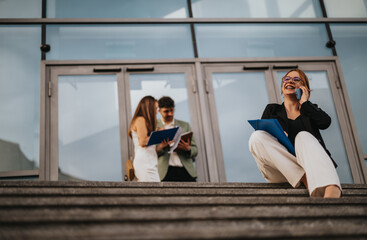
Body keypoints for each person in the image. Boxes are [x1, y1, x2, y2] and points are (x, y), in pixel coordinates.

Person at [248, 69, 342, 198]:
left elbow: (325, 122)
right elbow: (263, 141)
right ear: (282, 85)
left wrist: (305, 103)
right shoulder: (272, 110)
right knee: (256, 136)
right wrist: (278, 137)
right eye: (286, 79)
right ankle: (305, 178)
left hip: (309, 166)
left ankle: (332, 187)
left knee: (303, 136)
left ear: (304, 88)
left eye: (296, 79)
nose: (290, 81)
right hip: (280, 170)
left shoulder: (309, 110)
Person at [156, 96, 198, 182]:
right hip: (165, 172)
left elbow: (195, 150)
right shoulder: (154, 126)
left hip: (185, 170)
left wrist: (188, 149)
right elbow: (150, 152)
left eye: (172, 110)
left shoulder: (185, 125)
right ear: (159, 111)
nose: (170, 114)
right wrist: (163, 146)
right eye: (166, 111)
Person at [128, 96, 167, 182]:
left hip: (150, 162)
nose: (157, 112)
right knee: (153, 192)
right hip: (145, 163)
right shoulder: (140, 119)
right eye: (155, 108)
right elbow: (143, 142)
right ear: (149, 108)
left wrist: (161, 146)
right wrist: (159, 135)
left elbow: (148, 149)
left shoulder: (144, 121)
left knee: (154, 192)